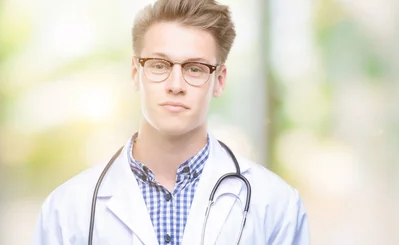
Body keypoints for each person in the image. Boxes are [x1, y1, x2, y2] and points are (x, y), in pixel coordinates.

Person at [32, 0, 310, 244]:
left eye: (195, 68)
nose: (175, 85)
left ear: (219, 80)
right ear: (135, 72)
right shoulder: (67, 209)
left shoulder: (276, 205)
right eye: (159, 65)